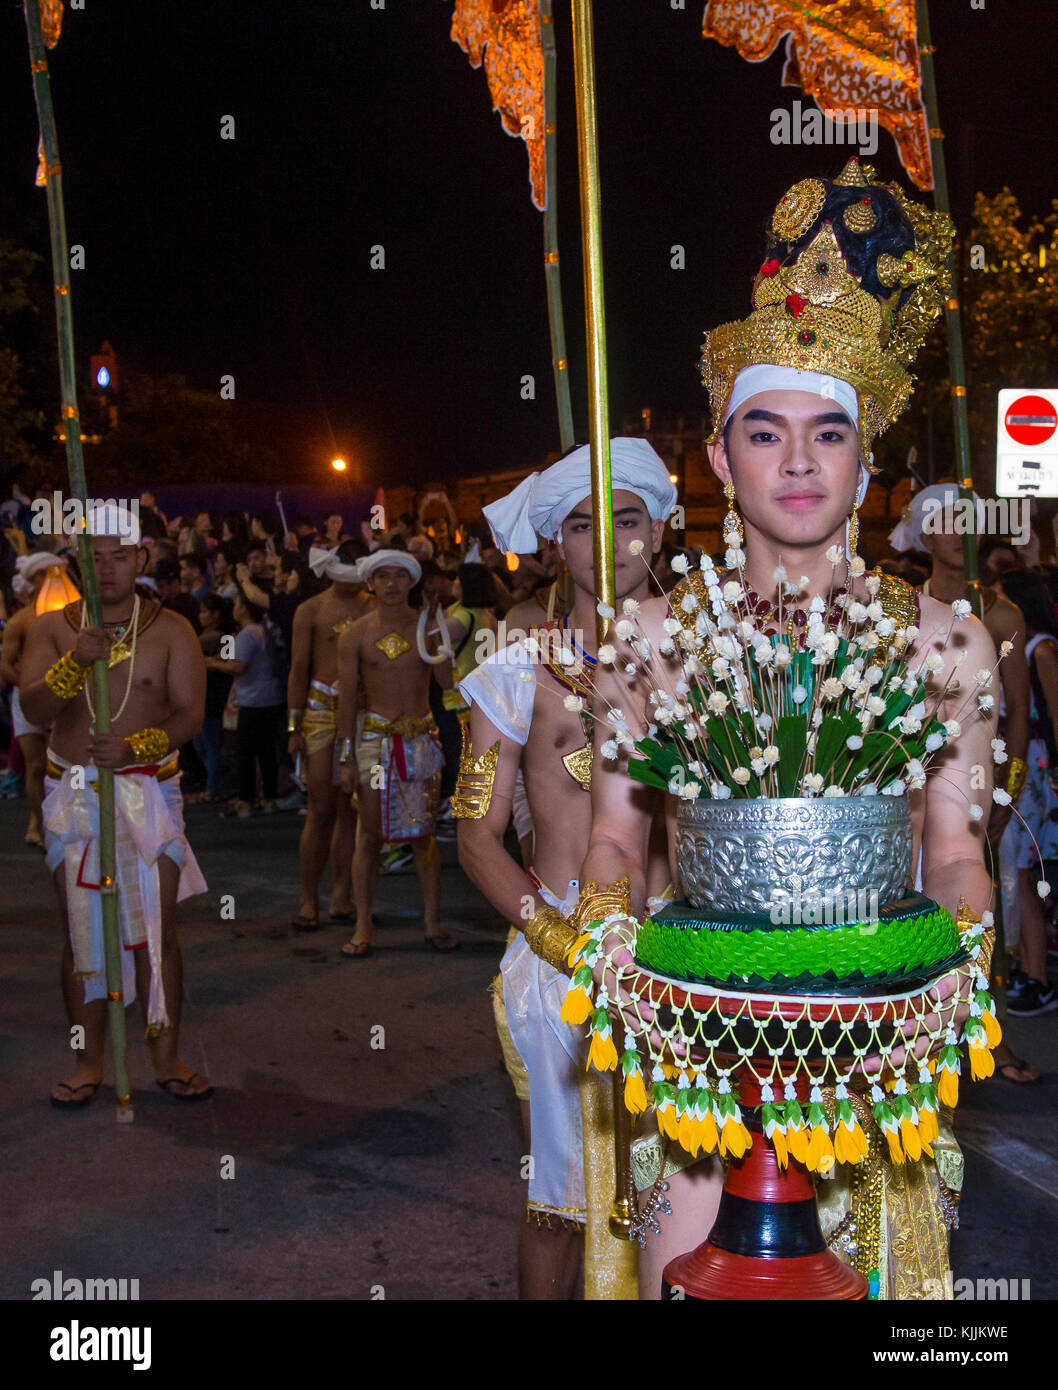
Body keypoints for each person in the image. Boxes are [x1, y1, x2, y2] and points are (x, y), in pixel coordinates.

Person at [575, 162, 992, 1299]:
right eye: (762, 433)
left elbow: (955, 851)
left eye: (826, 433)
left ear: (866, 460)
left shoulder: (945, 644)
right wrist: (609, 944)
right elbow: (615, 842)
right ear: (717, 456)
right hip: (698, 1049)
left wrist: (958, 973)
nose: (797, 462)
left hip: (879, 1044)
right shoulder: (650, 637)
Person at [456, 440, 677, 1299]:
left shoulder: (710, 665)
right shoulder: (514, 674)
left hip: (686, 965)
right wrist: (568, 942)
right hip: (563, 970)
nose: (609, 541)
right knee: (560, 1202)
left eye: (626, 518)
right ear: (557, 543)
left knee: (679, 1191)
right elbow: (476, 839)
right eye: (583, 524)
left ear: (658, 528)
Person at [19, 504, 209, 1106]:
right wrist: (77, 662)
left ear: (142, 560)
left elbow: (190, 715)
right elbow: (33, 709)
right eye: (93, 557)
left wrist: (133, 746)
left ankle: (165, 1056)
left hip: (150, 788)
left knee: (160, 930)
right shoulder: (53, 628)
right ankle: (87, 1060)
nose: (106, 569)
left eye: (119, 557)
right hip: (72, 792)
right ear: (77, 561)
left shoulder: (172, 629)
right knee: (81, 934)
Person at [890, 483, 1039, 1078]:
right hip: (909, 800)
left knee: (980, 913)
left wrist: (1009, 789)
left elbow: (1017, 716)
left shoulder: (1000, 615)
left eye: (971, 523)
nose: (962, 534)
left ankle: (987, 1035)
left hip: (981, 785)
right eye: (949, 523)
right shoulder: (902, 614)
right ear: (927, 537)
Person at [336, 550, 456, 956]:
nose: (391, 584)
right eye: (382, 576)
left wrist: (436, 633)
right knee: (369, 835)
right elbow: (347, 698)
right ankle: (363, 925)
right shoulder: (354, 634)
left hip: (421, 742)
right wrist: (346, 757)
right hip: (374, 743)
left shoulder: (427, 626)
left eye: (399, 577)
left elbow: (444, 681)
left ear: (412, 582)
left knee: (424, 835)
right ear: (369, 583)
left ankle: (431, 922)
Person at [285, 542, 368, 930]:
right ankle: (308, 899)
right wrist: (293, 726)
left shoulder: (373, 608)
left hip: (363, 713)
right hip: (319, 711)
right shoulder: (311, 610)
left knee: (352, 810)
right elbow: (298, 668)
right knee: (320, 810)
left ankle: (341, 895)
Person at [996, 568, 1058, 1016]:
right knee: (1016, 870)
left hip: (1035, 766)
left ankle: (1037, 975)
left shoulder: (1042, 650)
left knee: (1022, 869)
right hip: (1019, 762)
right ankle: (1024, 963)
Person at [0, 552, 74, 847]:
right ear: (34, 580)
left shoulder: (70, 615)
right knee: (35, 765)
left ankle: (65, 819)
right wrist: (30, 688)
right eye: (47, 575)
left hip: (63, 697)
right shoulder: (21, 621)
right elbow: (5, 663)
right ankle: (36, 822)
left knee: (64, 762)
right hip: (28, 695)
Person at [208, 592, 286, 817]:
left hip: (253, 700)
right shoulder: (262, 630)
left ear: (244, 608)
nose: (234, 608)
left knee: (246, 752)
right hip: (271, 697)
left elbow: (237, 666)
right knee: (267, 751)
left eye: (237, 604)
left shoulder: (247, 634)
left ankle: (246, 799)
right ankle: (269, 798)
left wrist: (212, 663)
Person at [192, 594, 235, 803]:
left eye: (205, 611)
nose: (201, 616)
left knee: (209, 743)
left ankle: (212, 788)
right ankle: (215, 783)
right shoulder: (207, 637)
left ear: (216, 615)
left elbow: (231, 662)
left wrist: (212, 661)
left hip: (215, 694)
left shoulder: (225, 637)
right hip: (204, 694)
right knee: (202, 743)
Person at [152, 557, 200, 632]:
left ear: (175, 583)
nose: (159, 590)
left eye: (161, 586)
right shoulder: (166, 601)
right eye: (157, 586)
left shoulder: (185, 605)